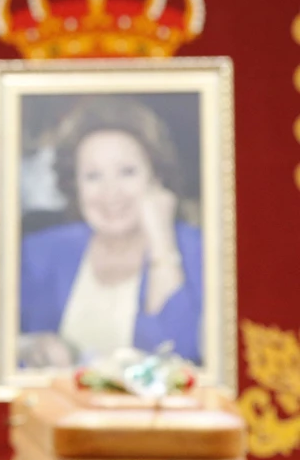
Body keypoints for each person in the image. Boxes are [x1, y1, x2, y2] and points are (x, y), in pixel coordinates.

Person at [19, 95, 203, 369]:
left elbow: (182, 356)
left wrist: (162, 244)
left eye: (127, 172)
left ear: (156, 178)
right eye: (93, 176)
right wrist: (27, 346)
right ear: (75, 185)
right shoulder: (37, 252)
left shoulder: (199, 250)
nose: (110, 192)